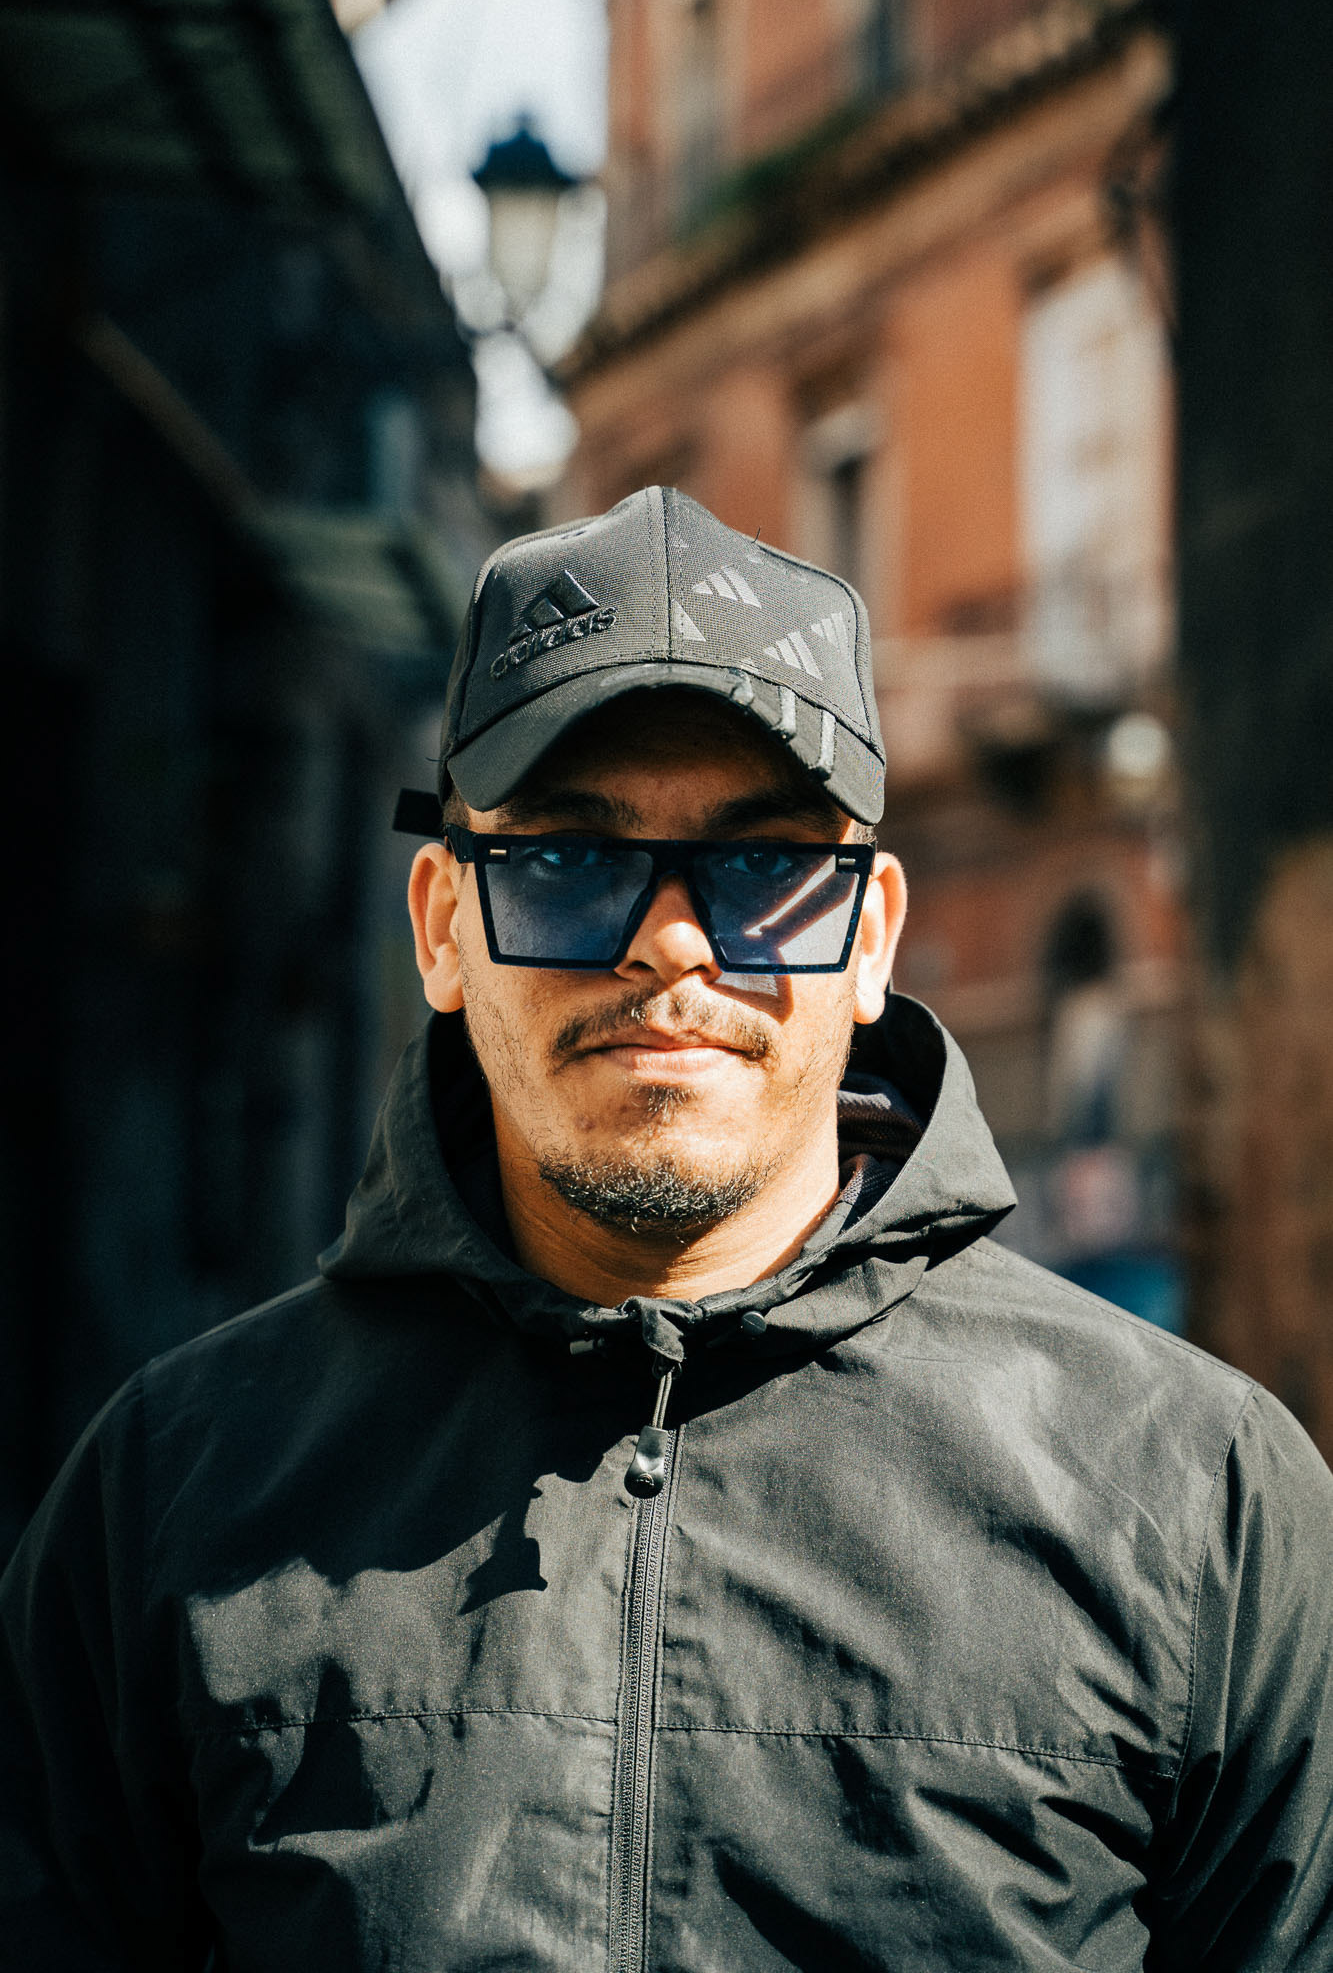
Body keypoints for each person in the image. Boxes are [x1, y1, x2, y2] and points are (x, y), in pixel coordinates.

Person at [2, 486, 1331, 1971]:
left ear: (871, 937)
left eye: (765, 867)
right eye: (568, 861)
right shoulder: (170, 1492)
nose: (672, 941)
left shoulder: (1192, 1495)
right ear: (441, 925)